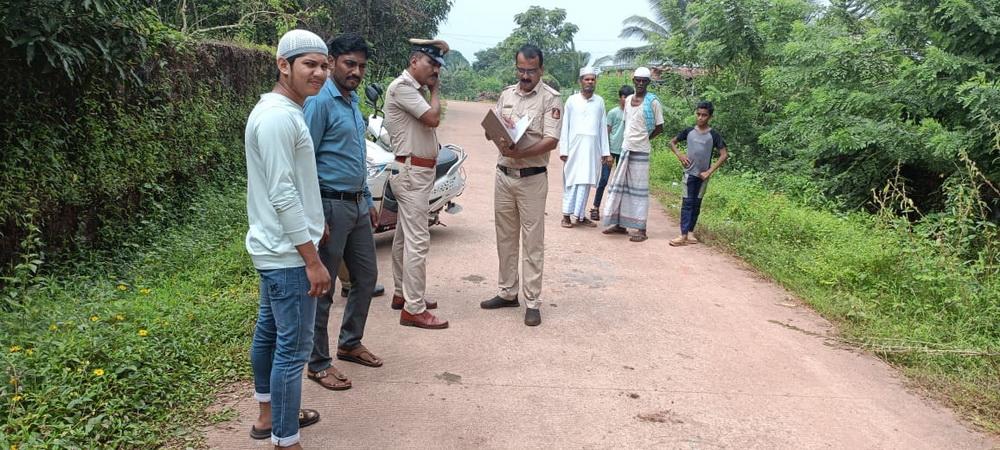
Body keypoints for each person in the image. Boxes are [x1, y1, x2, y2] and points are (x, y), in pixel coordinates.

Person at [244, 29, 330, 449]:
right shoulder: (279, 116)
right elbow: (282, 193)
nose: (319, 73)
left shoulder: (284, 110)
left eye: (323, 65)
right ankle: (285, 439)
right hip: (288, 255)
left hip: (275, 246)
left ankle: (267, 418)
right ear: (284, 65)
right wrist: (312, 258)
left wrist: (318, 223)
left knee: (269, 334)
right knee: (293, 350)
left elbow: (294, 184)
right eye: (309, 64)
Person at [302, 33, 382, 393]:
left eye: (361, 66)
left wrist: (367, 199)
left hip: (357, 205)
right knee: (324, 288)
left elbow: (355, 157)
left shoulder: (351, 102)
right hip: (329, 205)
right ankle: (318, 362)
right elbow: (304, 161)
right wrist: (315, 217)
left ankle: (349, 342)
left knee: (365, 278)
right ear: (332, 62)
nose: (356, 71)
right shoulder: (320, 102)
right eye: (350, 63)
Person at [480, 44, 563, 327]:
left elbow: (551, 140)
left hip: (532, 178)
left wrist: (521, 153)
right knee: (505, 238)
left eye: (531, 70)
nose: (525, 75)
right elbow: (496, 129)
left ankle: (533, 301)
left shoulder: (551, 99)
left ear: (541, 69)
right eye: (521, 69)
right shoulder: (506, 94)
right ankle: (507, 292)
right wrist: (494, 132)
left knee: (532, 243)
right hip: (504, 176)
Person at [384, 38, 450, 329]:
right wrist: (435, 90)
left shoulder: (414, 90)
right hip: (412, 174)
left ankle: (403, 293)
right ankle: (414, 308)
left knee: (403, 237)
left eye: (438, 65)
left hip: (413, 173)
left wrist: (429, 89)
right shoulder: (403, 88)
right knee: (417, 240)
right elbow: (433, 118)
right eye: (431, 63)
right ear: (414, 62)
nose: (435, 70)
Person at [602, 67, 664, 243]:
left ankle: (641, 229)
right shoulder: (628, 100)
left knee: (639, 191)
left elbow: (660, 127)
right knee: (621, 186)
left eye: (644, 81)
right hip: (626, 148)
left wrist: (645, 138)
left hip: (641, 150)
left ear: (648, 83)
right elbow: (627, 123)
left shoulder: (653, 102)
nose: (641, 84)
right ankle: (619, 224)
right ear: (634, 81)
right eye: (638, 80)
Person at [667, 100, 728, 246]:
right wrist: (679, 155)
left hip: (703, 176)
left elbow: (724, 155)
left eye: (704, 115)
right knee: (687, 203)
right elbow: (672, 143)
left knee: (696, 204)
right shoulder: (689, 132)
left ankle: (690, 232)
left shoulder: (713, 135)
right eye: (698, 114)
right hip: (689, 174)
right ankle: (682, 235)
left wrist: (709, 171)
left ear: (710, 117)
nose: (700, 118)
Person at [559, 66, 611, 228]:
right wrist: (564, 150)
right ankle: (566, 215)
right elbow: (565, 126)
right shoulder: (572, 100)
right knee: (572, 180)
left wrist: (605, 152)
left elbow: (602, 127)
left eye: (592, 79)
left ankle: (580, 216)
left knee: (586, 181)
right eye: (587, 79)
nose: (590, 82)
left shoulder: (600, 101)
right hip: (574, 148)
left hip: (592, 149)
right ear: (580, 81)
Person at [591, 85, 634, 221]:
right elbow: (606, 133)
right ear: (620, 97)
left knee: (621, 183)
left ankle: (617, 212)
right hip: (611, 151)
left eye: (629, 97)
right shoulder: (613, 113)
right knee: (604, 179)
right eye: (624, 97)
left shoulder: (633, 114)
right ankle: (595, 207)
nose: (627, 100)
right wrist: (606, 153)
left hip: (625, 151)